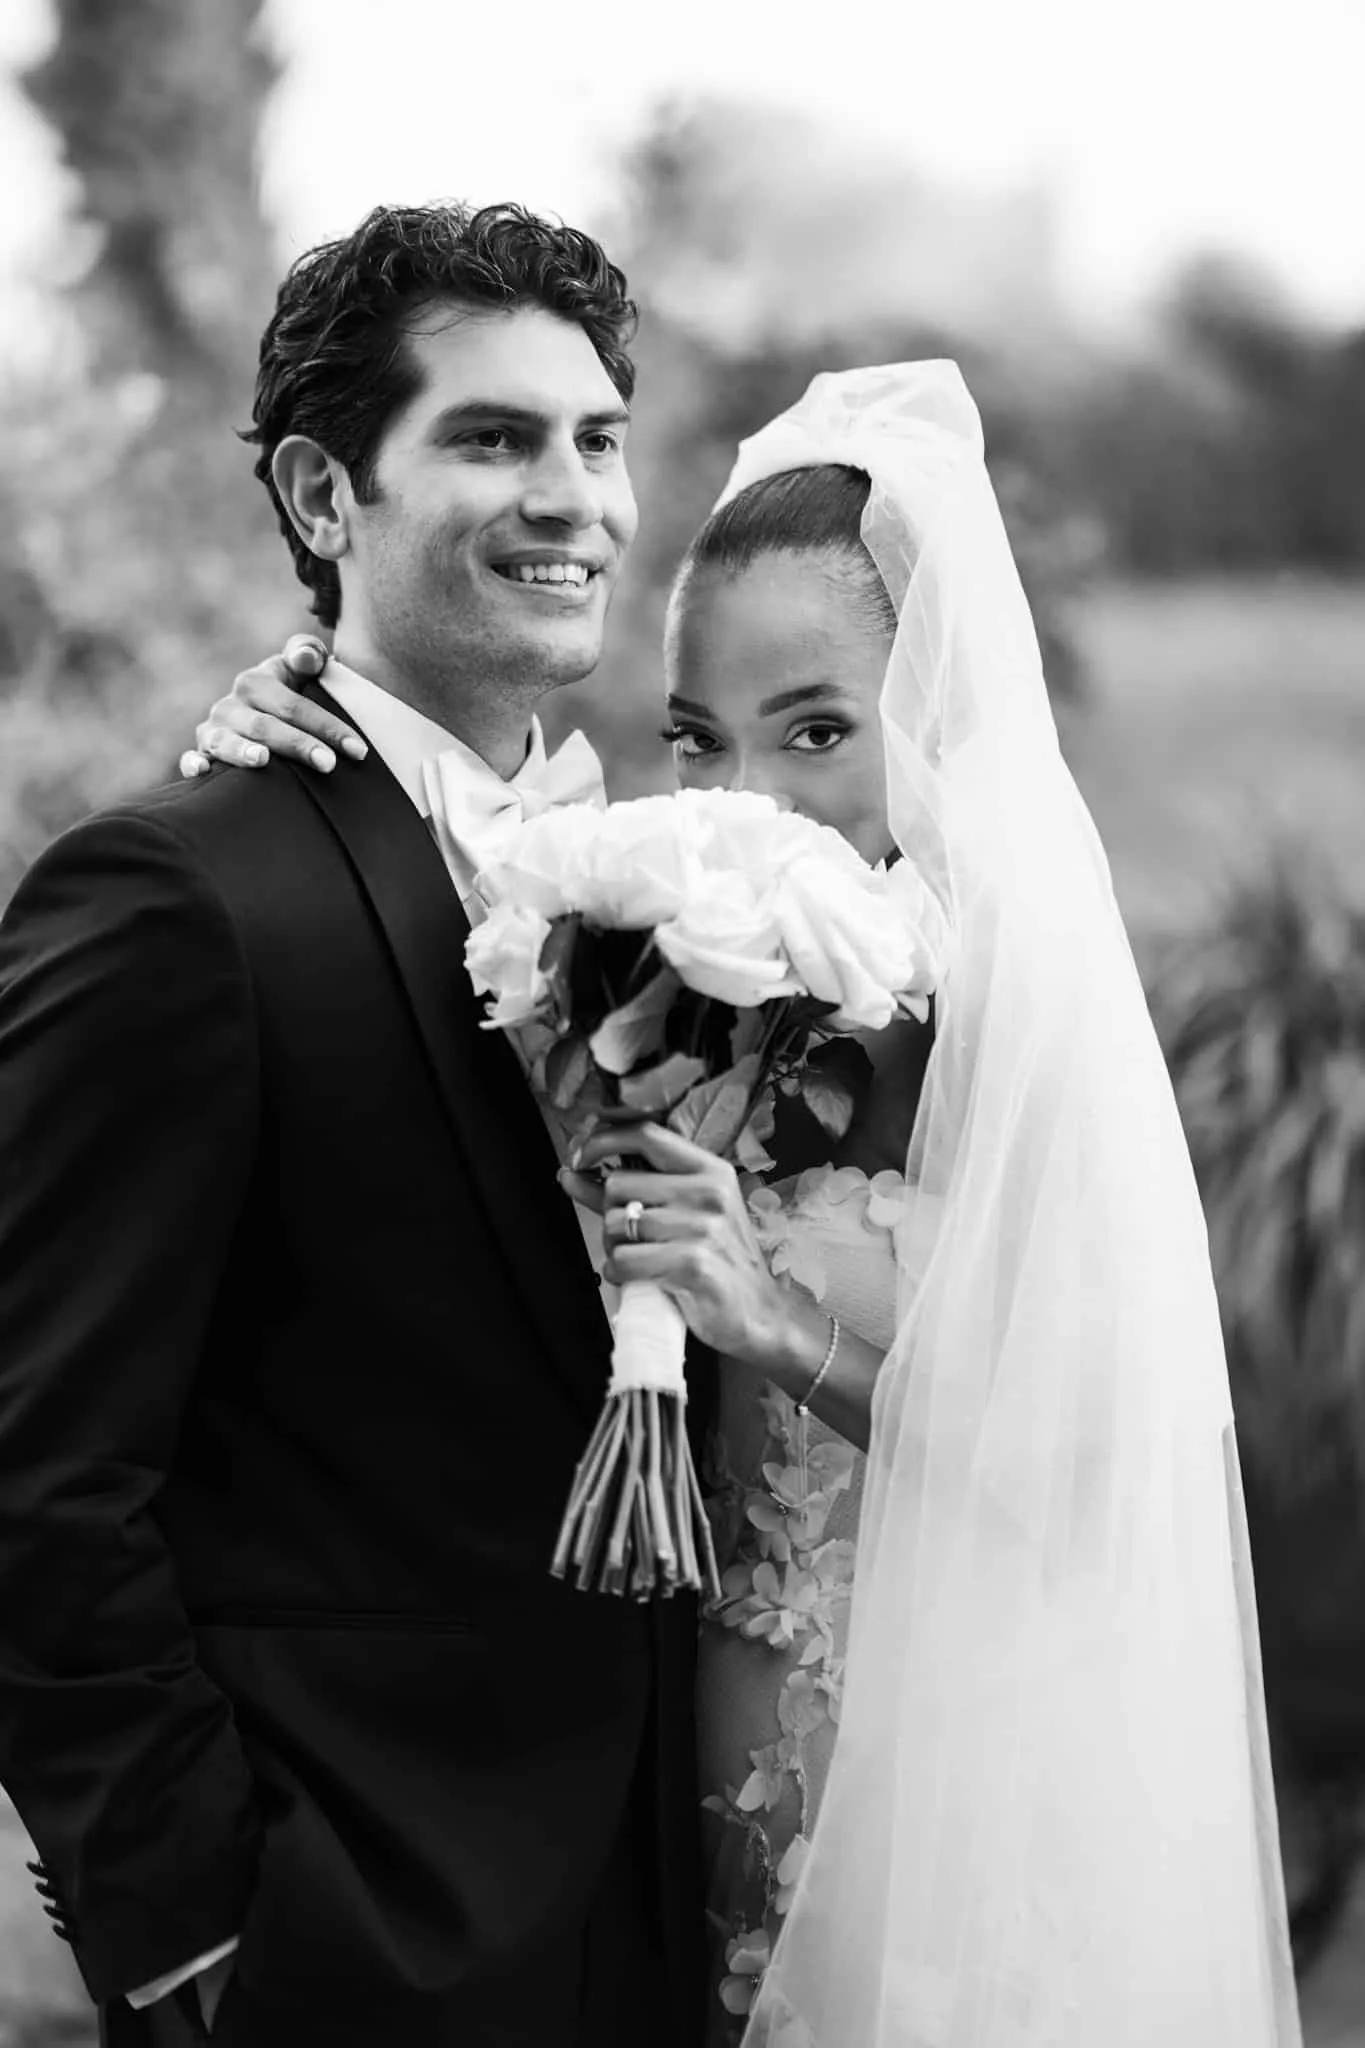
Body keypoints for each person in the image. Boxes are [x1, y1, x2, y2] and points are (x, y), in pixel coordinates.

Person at [196, 362, 1303, 2047]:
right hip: (670, 1777)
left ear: (931, 730)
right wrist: (283, 708)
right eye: (706, 737)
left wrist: (774, 1322)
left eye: (817, 730)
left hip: (940, 1780)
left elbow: (1100, 1466)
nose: (755, 801)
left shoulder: (1018, 1034)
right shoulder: (662, 986)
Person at [0, 202, 708, 2048]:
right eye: (492, 438)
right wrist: (186, 1941)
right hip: (356, 1942)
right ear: (325, 498)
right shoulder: (176, 900)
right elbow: (39, 1472)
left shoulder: (691, 896)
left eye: (598, 439)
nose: (574, 497)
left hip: (687, 1913)